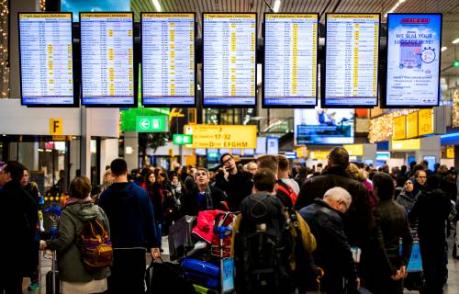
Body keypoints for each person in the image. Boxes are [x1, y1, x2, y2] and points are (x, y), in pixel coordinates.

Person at [295, 147, 395, 291]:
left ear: (328, 162)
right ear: (347, 164)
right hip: (346, 251)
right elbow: (368, 226)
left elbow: (298, 217)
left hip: (312, 251)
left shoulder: (311, 183)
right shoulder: (357, 187)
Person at [233, 168, 316, 294]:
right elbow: (309, 244)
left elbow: (233, 250)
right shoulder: (289, 214)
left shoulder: (242, 216)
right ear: (276, 186)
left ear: (253, 187)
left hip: (250, 279)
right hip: (282, 278)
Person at [99, 158, 160, 294]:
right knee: (136, 284)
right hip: (136, 247)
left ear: (112, 173)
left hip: (113, 248)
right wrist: (153, 244)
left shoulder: (105, 196)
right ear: (126, 171)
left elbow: (101, 223)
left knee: (114, 285)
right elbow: (149, 220)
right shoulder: (141, 193)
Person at [40, 176, 110, 293]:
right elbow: (108, 236)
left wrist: (46, 244)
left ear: (71, 192)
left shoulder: (67, 213)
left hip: (74, 276)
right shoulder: (99, 210)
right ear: (89, 190)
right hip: (98, 271)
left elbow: (65, 240)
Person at [299, 187, 359, 294]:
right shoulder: (332, 217)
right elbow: (343, 249)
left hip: (304, 269)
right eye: (346, 209)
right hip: (327, 273)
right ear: (340, 203)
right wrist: (353, 277)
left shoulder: (303, 211)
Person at [409, 175, 453, 294]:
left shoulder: (423, 197)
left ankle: (430, 286)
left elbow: (412, 215)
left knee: (428, 261)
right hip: (439, 233)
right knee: (439, 259)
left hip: (425, 233)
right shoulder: (445, 197)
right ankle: (438, 287)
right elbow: (450, 213)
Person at [0, 161, 38, 294]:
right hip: (19, 255)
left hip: (3, 254)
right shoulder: (29, 199)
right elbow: (32, 228)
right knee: (15, 287)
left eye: (2, 172)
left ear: (8, 175)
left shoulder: (3, 196)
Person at [372, 173, 413, 294]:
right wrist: (404, 264)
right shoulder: (401, 209)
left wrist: (391, 271)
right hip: (397, 263)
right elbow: (408, 239)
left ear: (377, 189)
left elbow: (379, 245)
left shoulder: (375, 212)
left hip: (380, 266)